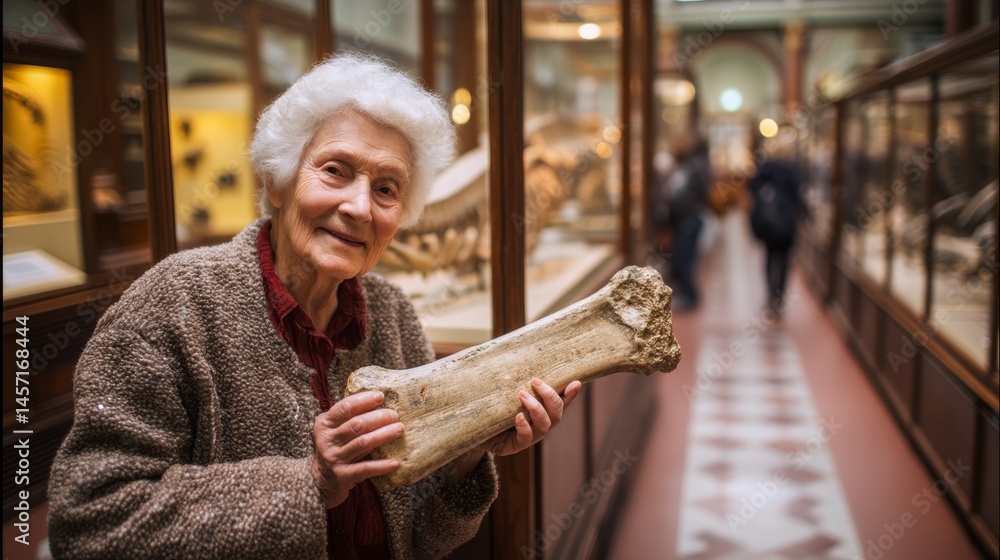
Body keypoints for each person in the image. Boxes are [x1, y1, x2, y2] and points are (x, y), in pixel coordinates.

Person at [47, 54, 582, 560]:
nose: (359, 207)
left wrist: (467, 451)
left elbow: (421, 540)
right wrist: (308, 482)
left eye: (387, 188)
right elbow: (90, 523)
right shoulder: (172, 305)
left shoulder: (392, 315)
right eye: (335, 170)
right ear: (277, 180)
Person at [748, 140, 803, 312]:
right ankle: (780, 295)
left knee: (770, 256)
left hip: (768, 223)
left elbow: (752, 189)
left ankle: (771, 291)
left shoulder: (765, 170)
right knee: (785, 259)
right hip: (786, 222)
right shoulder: (792, 170)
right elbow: (797, 197)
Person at [661, 135, 711, 311]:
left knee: (685, 258)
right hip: (682, 218)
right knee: (680, 257)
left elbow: (696, 192)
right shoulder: (685, 165)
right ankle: (686, 293)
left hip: (689, 217)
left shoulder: (694, 165)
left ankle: (689, 296)